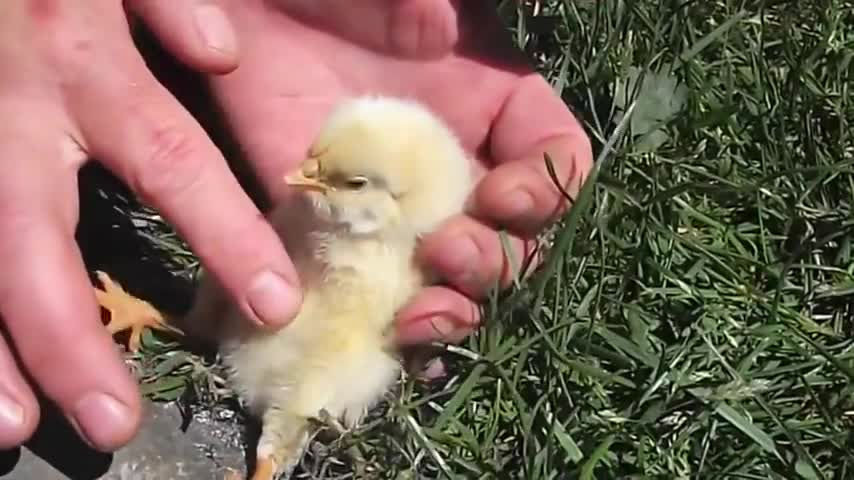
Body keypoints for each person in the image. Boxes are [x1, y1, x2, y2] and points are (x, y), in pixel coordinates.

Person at [0, 0, 591, 453]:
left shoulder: (388, 257)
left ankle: (268, 457)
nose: (306, 174)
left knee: (314, 361)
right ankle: (162, 316)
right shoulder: (331, 217)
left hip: (312, 364)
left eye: (344, 181)